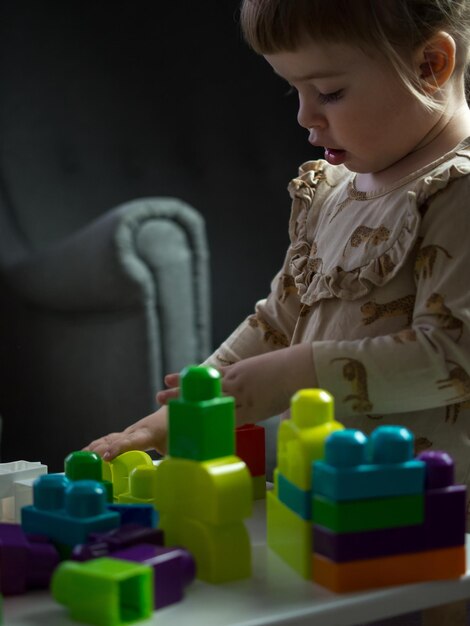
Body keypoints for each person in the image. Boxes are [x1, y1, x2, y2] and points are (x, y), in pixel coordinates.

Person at [86, 0, 470, 507]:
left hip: (432, 515)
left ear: (430, 66)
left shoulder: (456, 190)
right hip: (322, 495)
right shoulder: (334, 193)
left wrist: (299, 373)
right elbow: (277, 321)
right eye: (295, 90)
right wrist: (180, 416)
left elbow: (454, 355)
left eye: (329, 92)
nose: (305, 116)